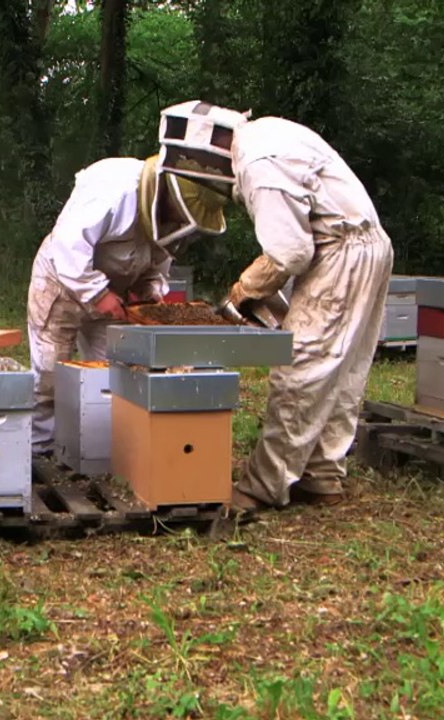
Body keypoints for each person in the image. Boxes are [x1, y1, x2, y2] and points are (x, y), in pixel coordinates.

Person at [156, 100, 393, 509]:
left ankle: (261, 487)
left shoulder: (257, 161)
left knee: (301, 366)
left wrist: (243, 289)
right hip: (363, 245)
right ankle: (321, 476)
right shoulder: (268, 132)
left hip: (340, 252)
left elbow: (289, 253)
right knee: (341, 370)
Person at [27, 147, 234, 456]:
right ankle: (39, 449)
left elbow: (159, 259)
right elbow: (68, 245)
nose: (178, 222)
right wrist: (97, 293)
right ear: (169, 196)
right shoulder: (113, 191)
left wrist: (151, 288)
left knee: (109, 376)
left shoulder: (166, 219)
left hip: (117, 296)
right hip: (63, 284)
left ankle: (93, 450)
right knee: (49, 372)